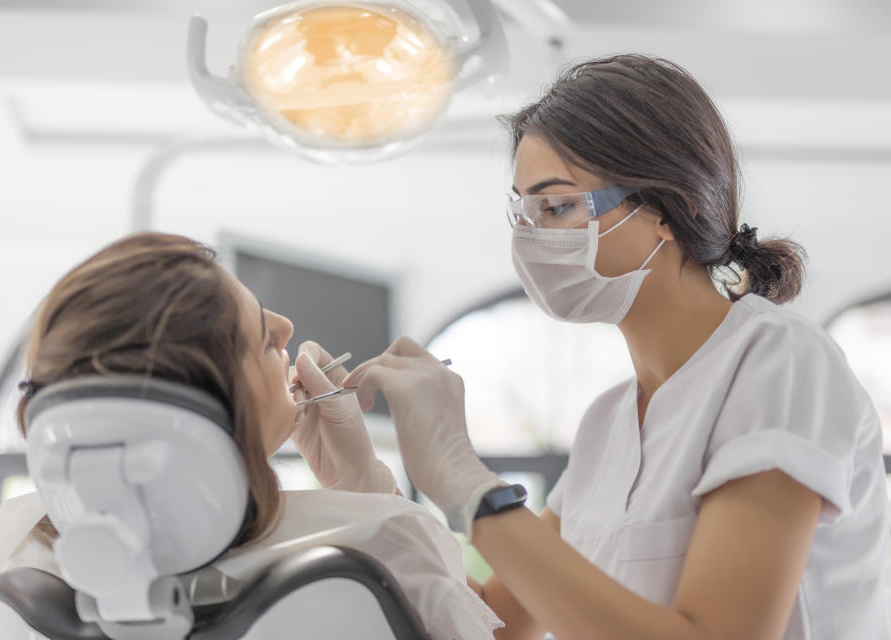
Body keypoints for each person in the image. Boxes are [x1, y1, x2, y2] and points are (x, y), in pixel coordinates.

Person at [340, 55, 890, 639]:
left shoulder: (778, 361)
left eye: (557, 207)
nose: (532, 239)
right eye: (523, 213)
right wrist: (364, 488)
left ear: (670, 209)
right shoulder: (608, 423)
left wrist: (468, 485)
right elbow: (496, 629)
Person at [0, 232, 501, 639]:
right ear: (220, 404)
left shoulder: (20, 566)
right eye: (263, 340)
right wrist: (366, 489)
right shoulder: (382, 541)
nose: (286, 328)